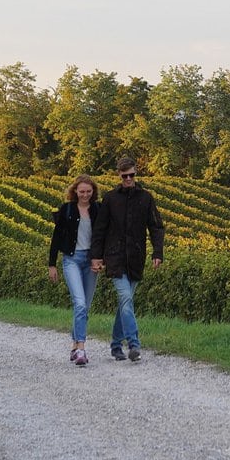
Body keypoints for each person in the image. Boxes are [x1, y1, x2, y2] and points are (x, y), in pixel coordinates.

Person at [90, 156, 164, 361]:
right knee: (125, 298)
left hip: (136, 257)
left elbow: (156, 227)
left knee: (126, 302)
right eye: (125, 176)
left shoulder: (146, 198)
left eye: (131, 175)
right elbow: (100, 230)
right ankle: (134, 344)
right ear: (119, 175)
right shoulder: (110, 198)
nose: (128, 179)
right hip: (114, 257)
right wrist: (96, 256)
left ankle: (115, 345)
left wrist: (158, 252)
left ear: (136, 173)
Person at [47, 173, 101, 366]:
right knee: (79, 303)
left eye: (88, 191)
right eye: (81, 192)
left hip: (91, 261)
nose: (85, 195)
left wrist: (102, 259)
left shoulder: (98, 209)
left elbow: (103, 236)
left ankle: (73, 345)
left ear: (93, 191)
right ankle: (81, 348)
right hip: (71, 260)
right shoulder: (67, 209)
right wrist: (52, 264)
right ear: (75, 192)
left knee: (84, 306)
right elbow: (56, 238)